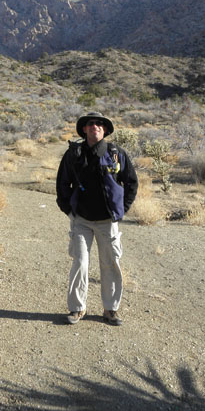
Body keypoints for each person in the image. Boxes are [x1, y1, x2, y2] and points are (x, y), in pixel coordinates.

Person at [56, 112, 138, 326]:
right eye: (91, 124)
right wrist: (68, 209)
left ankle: (110, 310)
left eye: (100, 124)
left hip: (107, 220)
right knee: (80, 262)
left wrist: (122, 209)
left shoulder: (116, 153)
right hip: (81, 219)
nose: (96, 126)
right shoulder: (73, 154)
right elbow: (62, 183)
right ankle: (77, 308)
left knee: (110, 264)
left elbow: (131, 183)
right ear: (84, 129)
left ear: (105, 129)